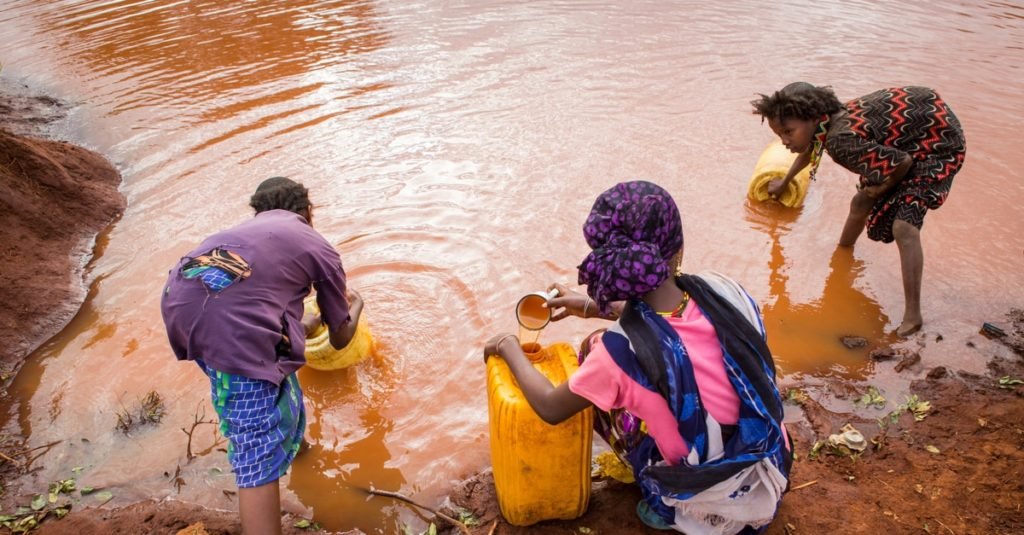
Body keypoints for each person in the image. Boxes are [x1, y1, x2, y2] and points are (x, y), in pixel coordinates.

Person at [484, 181, 791, 534]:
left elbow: (551, 407)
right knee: (645, 368)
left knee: (594, 349)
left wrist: (507, 346)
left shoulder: (616, 354)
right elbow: (673, 330)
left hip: (709, 502)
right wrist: (589, 307)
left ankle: (666, 507)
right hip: (770, 463)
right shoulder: (726, 291)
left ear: (606, 262)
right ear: (678, 247)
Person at [160, 176, 364, 535]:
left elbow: (255, 307)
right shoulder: (316, 244)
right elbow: (342, 338)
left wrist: (306, 325)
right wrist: (358, 306)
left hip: (181, 303)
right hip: (229, 327)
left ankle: (300, 452)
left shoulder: (242, 235)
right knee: (253, 442)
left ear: (259, 210)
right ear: (307, 211)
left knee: (265, 369)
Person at [751, 83, 966, 337]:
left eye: (788, 132)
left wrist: (882, 186)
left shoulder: (841, 141)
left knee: (903, 226)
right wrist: (785, 182)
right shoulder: (829, 122)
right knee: (860, 202)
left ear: (813, 118)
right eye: (780, 136)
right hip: (909, 139)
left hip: (935, 146)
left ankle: (913, 317)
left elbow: (903, 163)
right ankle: (843, 253)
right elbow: (811, 151)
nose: (785, 141)